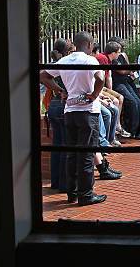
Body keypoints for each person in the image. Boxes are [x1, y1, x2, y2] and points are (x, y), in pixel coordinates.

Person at [40, 31, 111, 206]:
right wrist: (94, 95)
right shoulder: (90, 60)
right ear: (88, 44)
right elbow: (101, 78)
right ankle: (86, 195)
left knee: (71, 154)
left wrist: (59, 90)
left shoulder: (63, 61)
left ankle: (72, 193)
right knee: (86, 154)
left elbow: (43, 75)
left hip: (69, 111)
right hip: (88, 112)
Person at [45, 38, 72, 192]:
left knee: (57, 145)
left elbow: (44, 77)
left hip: (54, 106)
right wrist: (62, 91)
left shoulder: (55, 64)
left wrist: (58, 90)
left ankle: (55, 182)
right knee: (66, 146)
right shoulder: (67, 63)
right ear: (68, 50)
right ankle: (64, 184)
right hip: (63, 106)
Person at [109, 37, 140, 139]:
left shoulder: (122, 55)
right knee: (132, 102)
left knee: (138, 101)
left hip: (126, 81)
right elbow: (121, 71)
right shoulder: (113, 58)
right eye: (120, 47)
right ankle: (133, 130)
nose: (122, 50)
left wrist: (130, 70)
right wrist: (130, 70)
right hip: (118, 84)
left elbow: (127, 67)